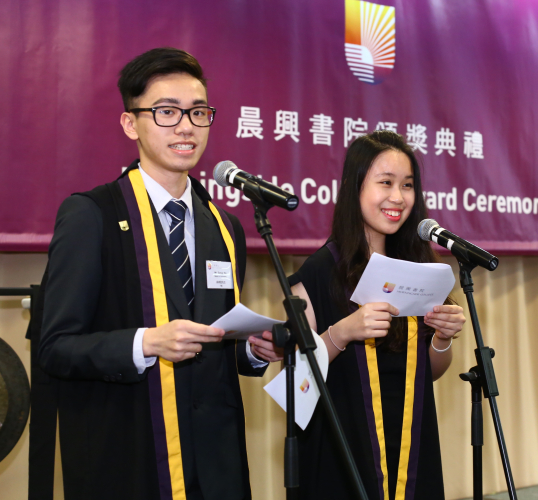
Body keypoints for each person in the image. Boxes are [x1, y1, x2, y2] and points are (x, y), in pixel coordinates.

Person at [36, 47, 281, 500]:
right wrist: (145, 342)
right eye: (166, 112)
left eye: (198, 112)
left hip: (216, 464)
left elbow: (217, 341)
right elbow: (55, 348)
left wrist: (253, 351)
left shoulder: (225, 226)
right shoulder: (92, 215)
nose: (186, 126)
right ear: (131, 123)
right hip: (128, 456)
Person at [288, 130, 466, 500]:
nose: (398, 198)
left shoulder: (417, 270)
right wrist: (341, 333)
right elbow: (292, 380)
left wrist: (442, 339)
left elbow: (427, 372)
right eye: (385, 182)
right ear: (354, 188)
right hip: (340, 456)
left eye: (407, 185)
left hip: (412, 454)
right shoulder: (319, 273)